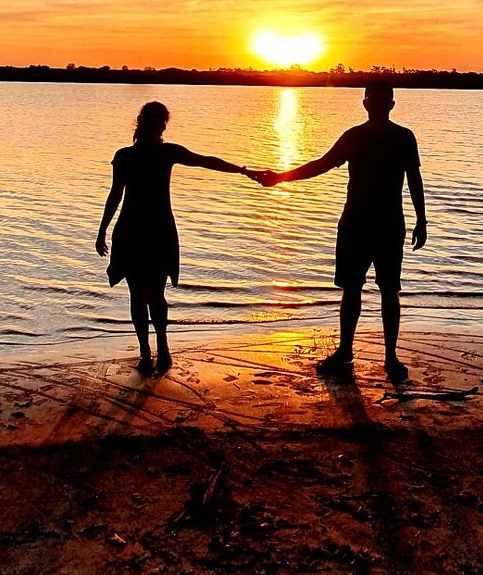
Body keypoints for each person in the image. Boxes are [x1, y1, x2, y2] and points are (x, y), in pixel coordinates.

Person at [257, 79, 426, 384]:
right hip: (354, 224)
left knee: (390, 290)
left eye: (382, 100)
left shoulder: (404, 137)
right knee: (351, 289)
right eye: (372, 99)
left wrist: (422, 220)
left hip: (389, 225)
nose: (377, 104)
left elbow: (414, 178)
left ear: (391, 104)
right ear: (365, 103)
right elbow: (321, 164)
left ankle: (391, 357)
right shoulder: (354, 137)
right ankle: (345, 352)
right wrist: (281, 177)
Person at [96, 101, 261, 373]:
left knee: (148, 295)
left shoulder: (160, 153)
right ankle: (151, 352)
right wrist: (102, 229)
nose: (159, 126)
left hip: (149, 230)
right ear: (147, 123)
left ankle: (157, 351)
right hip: (140, 230)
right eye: (157, 121)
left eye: (161, 122)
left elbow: (206, 161)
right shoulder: (131, 155)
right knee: (143, 295)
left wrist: (242, 170)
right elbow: (115, 194)